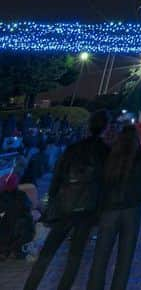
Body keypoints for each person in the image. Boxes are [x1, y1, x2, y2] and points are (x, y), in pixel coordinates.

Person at [23, 109, 109, 290]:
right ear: (106, 128)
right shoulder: (105, 152)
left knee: (48, 252)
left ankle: (30, 287)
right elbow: (107, 184)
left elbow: (57, 176)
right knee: (74, 258)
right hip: (87, 210)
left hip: (65, 204)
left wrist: (52, 201)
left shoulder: (73, 148)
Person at [85, 123, 141, 290]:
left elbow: (103, 183)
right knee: (125, 259)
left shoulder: (112, 155)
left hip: (110, 209)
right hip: (132, 210)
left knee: (101, 255)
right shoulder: (140, 157)